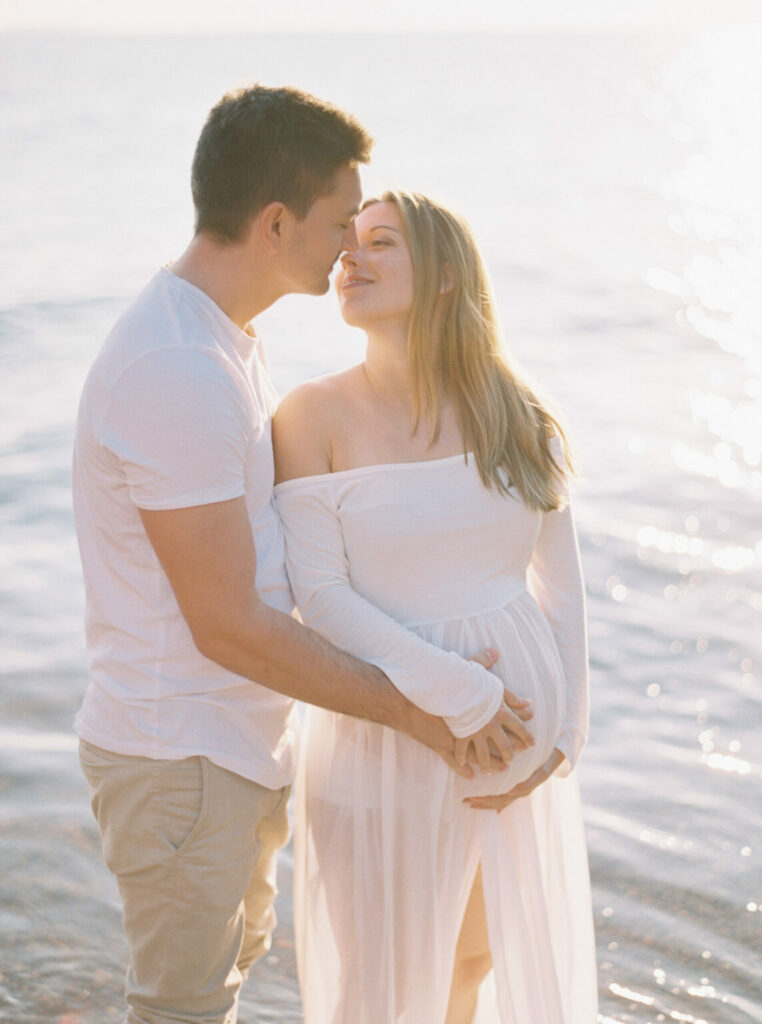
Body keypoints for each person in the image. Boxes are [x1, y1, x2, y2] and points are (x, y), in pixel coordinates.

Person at [72, 88, 532, 1024]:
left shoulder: (224, 343)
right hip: (181, 759)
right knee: (182, 1012)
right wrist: (421, 712)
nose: (347, 248)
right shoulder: (178, 368)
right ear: (276, 222)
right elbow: (225, 623)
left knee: (217, 990)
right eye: (337, 224)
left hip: (231, 752)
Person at [272, 191, 598, 1023]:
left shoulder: (520, 418)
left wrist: (563, 737)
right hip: (380, 739)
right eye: (347, 243)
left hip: (511, 750)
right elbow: (321, 599)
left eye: (381, 242)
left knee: (472, 966)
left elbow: (561, 592)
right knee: (380, 984)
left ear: (447, 277)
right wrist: (461, 693)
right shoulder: (313, 415)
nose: (351, 257)